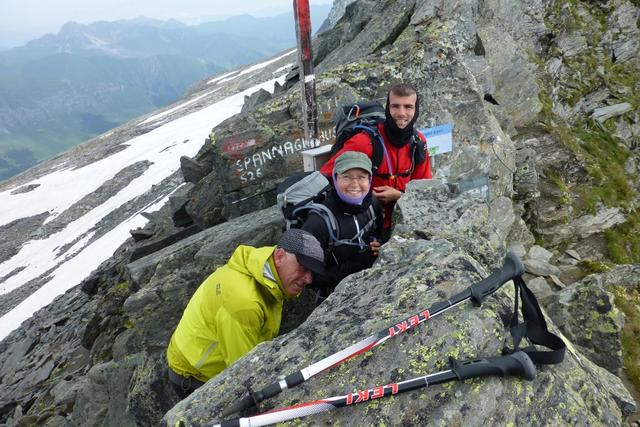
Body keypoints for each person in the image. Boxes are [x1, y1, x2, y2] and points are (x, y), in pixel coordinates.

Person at [166, 229, 325, 398]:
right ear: (279, 256)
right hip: (195, 377)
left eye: (312, 272)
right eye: (303, 268)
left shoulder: (263, 269)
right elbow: (243, 373)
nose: (309, 279)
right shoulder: (245, 303)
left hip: (193, 352)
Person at [320, 83, 432, 239]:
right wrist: (361, 195)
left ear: (416, 109)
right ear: (387, 108)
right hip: (363, 226)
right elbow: (326, 177)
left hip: (403, 225)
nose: (401, 113)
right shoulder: (364, 142)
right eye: (395, 106)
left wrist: (399, 195)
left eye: (408, 107)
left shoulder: (418, 142)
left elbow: (425, 191)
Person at [302, 151, 383, 302]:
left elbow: (379, 233)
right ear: (335, 178)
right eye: (346, 177)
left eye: (362, 177)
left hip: (373, 288)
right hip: (335, 300)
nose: (354, 184)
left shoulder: (373, 203)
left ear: (370, 179)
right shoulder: (319, 222)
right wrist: (358, 265)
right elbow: (308, 276)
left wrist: (379, 244)